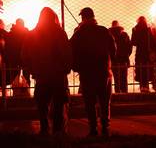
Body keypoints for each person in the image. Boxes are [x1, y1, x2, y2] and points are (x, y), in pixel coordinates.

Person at [21, 7, 72, 135]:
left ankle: (44, 128)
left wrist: (32, 68)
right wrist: (66, 68)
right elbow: (66, 52)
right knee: (59, 104)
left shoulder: (32, 33)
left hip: (41, 74)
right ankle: (58, 131)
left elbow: (24, 55)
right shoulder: (59, 32)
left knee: (42, 104)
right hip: (57, 74)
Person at [70, 7, 115, 137]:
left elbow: (71, 50)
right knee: (104, 101)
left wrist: (76, 66)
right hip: (103, 71)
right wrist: (109, 63)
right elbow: (113, 49)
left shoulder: (79, 34)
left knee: (90, 102)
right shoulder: (103, 31)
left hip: (87, 73)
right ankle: (105, 127)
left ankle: (93, 128)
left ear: (83, 18)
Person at [131, 16, 156, 92]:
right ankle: (147, 86)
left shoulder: (135, 29)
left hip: (139, 53)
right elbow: (152, 40)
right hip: (147, 52)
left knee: (140, 69)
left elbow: (133, 42)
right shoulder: (149, 29)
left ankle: (142, 86)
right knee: (148, 69)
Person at [108, 20, 132, 93]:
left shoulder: (109, 35)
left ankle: (117, 93)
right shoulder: (124, 35)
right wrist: (126, 55)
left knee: (116, 79)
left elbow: (108, 48)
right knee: (124, 78)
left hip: (114, 60)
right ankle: (125, 93)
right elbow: (129, 47)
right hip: (124, 59)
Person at [5, 19, 29, 87]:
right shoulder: (27, 33)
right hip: (24, 57)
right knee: (26, 75)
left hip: (14, 58)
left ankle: (15, 91)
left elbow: (8, 46)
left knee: (14, 76)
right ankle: (27, 90)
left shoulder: (11, 33)